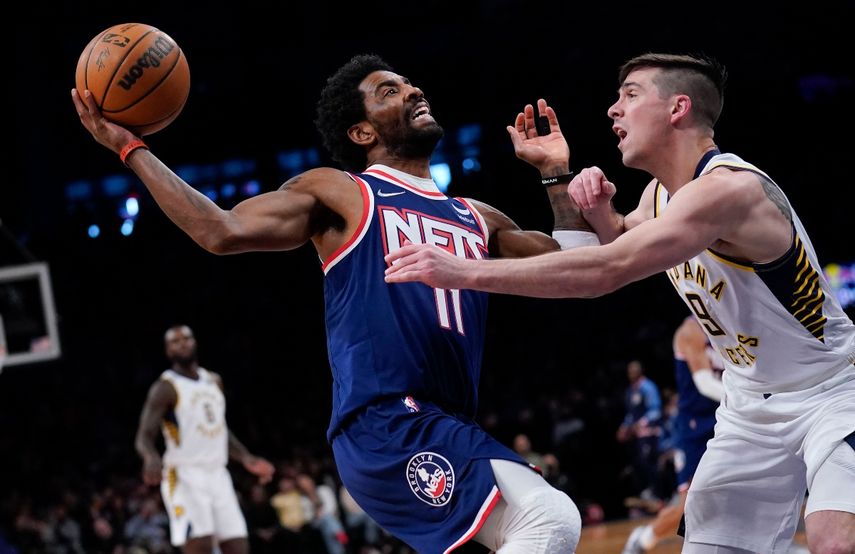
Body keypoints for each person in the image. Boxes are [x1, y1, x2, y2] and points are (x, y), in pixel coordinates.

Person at [73, 54, 586, 553]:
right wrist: (131, 149)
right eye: (389, 90)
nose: (413, 90)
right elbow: (219, 229)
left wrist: (555, 172)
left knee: (530, 527)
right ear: (362, 132)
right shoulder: (344, 193)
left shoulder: (477, 217)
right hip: (384, 421)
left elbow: (577, 268)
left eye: (409, 83)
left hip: (446, 421)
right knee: (548, 516)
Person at [385, 53, 855, 553]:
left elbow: (605, 271)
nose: (613, 109)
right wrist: (567, 181)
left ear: (677, 108)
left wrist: (462, 272)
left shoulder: (728, 190)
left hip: (832, 390)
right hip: (749, 405)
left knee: (834, 541)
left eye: (630, 94)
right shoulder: (658, 196)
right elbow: (613, 244)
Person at [134, 325, 275, 553]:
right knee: (200, 545)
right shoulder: (166, 387)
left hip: (218, 473)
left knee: (238, 545)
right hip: (184, 474)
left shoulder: (214, 380)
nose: (182, 343)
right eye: (175, 341)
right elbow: (144, 435)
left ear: (194, 342)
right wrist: (150, 457)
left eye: (186, 338)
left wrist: (245, 457)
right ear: (168, 351)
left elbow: (219, 428)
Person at [622, 317, 722, 554]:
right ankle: (643, 540)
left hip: (726, 419)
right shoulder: (691, 331)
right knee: (688, 507)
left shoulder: (729, 325)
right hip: (695, 429)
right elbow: (705, 384)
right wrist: (750, 400)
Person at [616, 360, 663, 501]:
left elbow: (655, 410)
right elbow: (631, 414)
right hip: (636, 435)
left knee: (650, 463)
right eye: (629, 372)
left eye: (634, 371)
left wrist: (641, 423)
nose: (631, 374)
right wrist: (624, 427)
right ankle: (648, 491)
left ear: (640, 371)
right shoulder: (630, 391)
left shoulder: (648, 387)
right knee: (638, 464)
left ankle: (659, 494)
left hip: (650, 433)